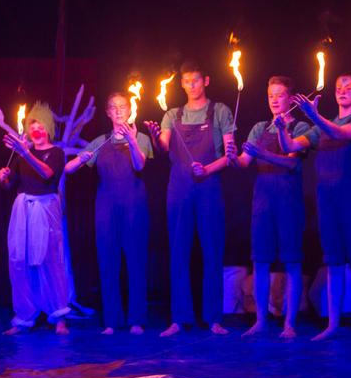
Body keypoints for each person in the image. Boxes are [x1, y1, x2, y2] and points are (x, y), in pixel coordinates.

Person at [275, 74, 351, 343]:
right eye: (339, 88)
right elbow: (291, 147)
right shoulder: (320, 128)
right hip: (326, 199)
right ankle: (333, 324)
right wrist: (283, 128)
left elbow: (340, 133)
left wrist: (315, 115)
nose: (343, 91)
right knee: (333, 263)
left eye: (349, 88)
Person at [144, 60, 233, 337]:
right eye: (186, 81)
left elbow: (230, 155)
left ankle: (214, 318)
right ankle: (179, 318)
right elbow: (164, 147)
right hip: (180, 186)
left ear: (205, 81)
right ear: (181, 83)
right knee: (178, 250)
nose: (191, 86)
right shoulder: (172, 114)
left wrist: (207, 169)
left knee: (212, 250)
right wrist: (156, 136)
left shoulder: (219, 111)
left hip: (208, 185)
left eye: (196, 80)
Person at [226, 76, 310, 338]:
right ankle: (261, 320)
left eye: (280, 94)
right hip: (262, 201)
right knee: (260, 262)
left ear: (290, 98)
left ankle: (290, 323)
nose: (274, 99)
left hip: (288, 200)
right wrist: (231, 157)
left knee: (292, 263)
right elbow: (243, 162)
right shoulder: (259, 128)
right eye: (270, 95)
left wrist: (262, 154)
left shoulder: (300, 126)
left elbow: (291, 163)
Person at [65, 92, 153, 335]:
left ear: (129, 109)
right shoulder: (100, 141)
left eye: (122, 107)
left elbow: (139, 165)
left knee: (135, 260)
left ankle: (136, 319)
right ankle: (112, 320)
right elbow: (69, 168)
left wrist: (132, 141)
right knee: (108, 261)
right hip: (106, 205)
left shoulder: (141, 138)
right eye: (113, 108)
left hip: (134, 204)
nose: (118, 111)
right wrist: (80, 159)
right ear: (108, 112)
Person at [0, 103, 72, 335]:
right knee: (20, 261)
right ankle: (24, 317)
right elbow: (11, 185)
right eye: (32, 125)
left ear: (48, 128)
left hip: (46, 207)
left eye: (40, 125)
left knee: (50, 259)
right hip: (23, 209)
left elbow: (47, 174)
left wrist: (25, 152)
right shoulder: (22, 153)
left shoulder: (56, 152)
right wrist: (3, 178)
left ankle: (58, 316)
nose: (36, 129)